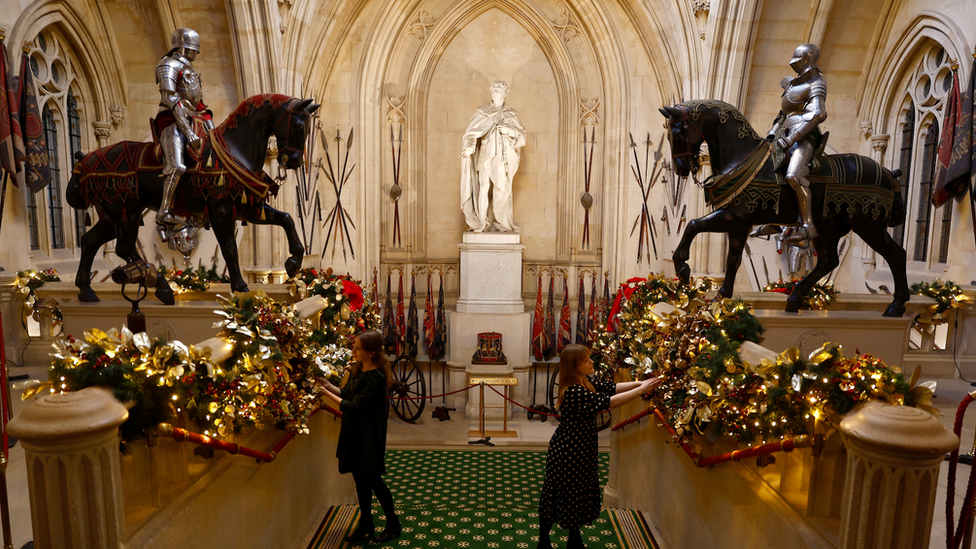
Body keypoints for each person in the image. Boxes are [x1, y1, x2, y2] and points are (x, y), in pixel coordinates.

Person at [537, 344, 661, 549]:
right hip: (569, 449)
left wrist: (640, 383)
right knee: (559, 492)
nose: (592, 362)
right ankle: (543, 541)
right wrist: (641, 390)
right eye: (586, 360)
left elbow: (611, 388)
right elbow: (609, 402)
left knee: (578, 492)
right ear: (575, 366)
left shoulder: (585, 381)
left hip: (583, 447)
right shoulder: (574, 391)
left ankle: (574, 539)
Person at [318, 331, 402, 543]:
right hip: (355, 434)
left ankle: (393, 524)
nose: (353, 350)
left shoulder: (376, 377)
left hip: (368, 437)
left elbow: (355, 406)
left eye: (357, 348)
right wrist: (330, 386)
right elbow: (348, 393)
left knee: (373, 481)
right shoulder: (360, 370)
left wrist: (326, 395)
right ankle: (366, 525)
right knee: (360, 482)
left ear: (371, 353)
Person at [153, 27, 213, 237]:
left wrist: (214, 134)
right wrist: (189, 134)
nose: (197, 53)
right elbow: (170, 99)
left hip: (191, 118)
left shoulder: (191, 71)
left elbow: (200, 106)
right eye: (194, 49)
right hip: (171, 119)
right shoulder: (167, 65)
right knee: (177, 166)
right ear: (185, 47)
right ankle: (164, 212)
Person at [767, 43, 827, 243]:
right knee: (768, 173)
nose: (793, 63)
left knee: (793, 175)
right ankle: (776, 220)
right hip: (782, 136)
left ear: (807, 59)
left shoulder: (816, 83)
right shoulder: (791, 85)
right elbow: (783, 114)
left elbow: (818, 113)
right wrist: (772, 132)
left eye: (798, 59)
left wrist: (793, 138)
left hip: (804, 136)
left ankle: (808, 226)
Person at [460, 80, 526, 233]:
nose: (496, 91)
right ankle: (481, 223)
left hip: (502, 158)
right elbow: (471, 133)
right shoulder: (482, 111)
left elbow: (521, 136)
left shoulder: (511, 114)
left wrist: (509, 131)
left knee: (500, 189)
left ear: (505, 92)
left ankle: (500, 222)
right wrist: (470, 146)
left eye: (499, 89)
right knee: (483, 187)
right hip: (485, 154)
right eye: (494, 89)